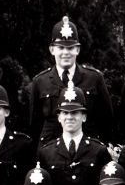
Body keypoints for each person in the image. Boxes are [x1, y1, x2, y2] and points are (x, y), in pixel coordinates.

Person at [28, 15, 113, 145]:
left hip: (87, 153)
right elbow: (35, 126)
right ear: (52, 49)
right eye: (60, 48)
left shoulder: (94, 78)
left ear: (77, 49)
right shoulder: (40, 82)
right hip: (50, 155)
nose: (65, 52)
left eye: (70, 48)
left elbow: (107, 122)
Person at [37, 83, 111, 185]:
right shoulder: (46, 153)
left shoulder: (99, 151)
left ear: (84, 117)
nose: (69, 117)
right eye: (65, 112)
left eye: (75, 112)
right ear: (59, 117)